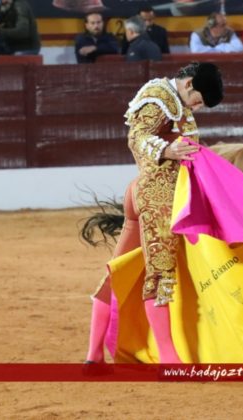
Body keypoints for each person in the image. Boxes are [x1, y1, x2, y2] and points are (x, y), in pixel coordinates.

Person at [85, 62, 223, 364]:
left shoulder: (175, 102)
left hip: (147, 193)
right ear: (189, 83)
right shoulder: (159, 95)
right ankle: (169, 359)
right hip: (156, 194)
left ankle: (93, 355)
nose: (197, 107)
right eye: (199, 99)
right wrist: (166, 151)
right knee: (160, 274)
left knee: (118, 272)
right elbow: (137, 136)